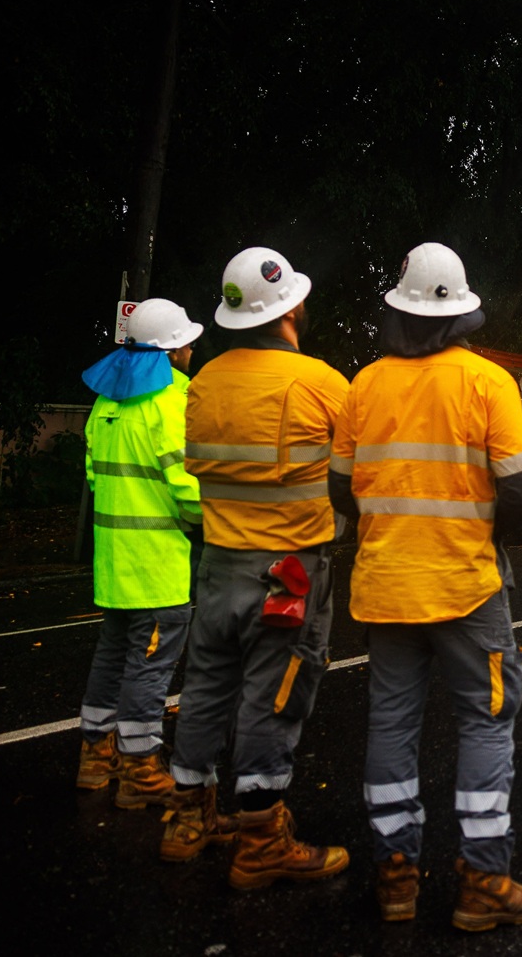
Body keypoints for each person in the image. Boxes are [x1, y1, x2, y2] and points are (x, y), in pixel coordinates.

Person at [329, 243, 522, 928]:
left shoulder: (364, 386)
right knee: (485, 722)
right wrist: (482, 532)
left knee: (391, 724)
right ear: (460, 313)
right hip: (465, 586)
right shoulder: (487, 383)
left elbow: (341, 487)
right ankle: (484, 883)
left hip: (386, 586)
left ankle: (395, 877)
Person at [164, 247, 352, 887]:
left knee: (207, 692)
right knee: (274, 699)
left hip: (217, 567)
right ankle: (262, 837)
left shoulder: (204, 382)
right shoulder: (324, 385)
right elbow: (357, 473)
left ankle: (188, 818)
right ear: (293, 306)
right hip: (290, 577)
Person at [74, 299, 203, 809]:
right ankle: (139, 767)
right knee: (150, 665)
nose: (192, 349)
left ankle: (94, 756)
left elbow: (92, 476)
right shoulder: (170, 402)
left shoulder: (106, 402)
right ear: (172, 350)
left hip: (113, 561)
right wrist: (208, 523)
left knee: (111, 657)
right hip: (157, 564)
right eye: (187, 342)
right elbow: (188, 486)